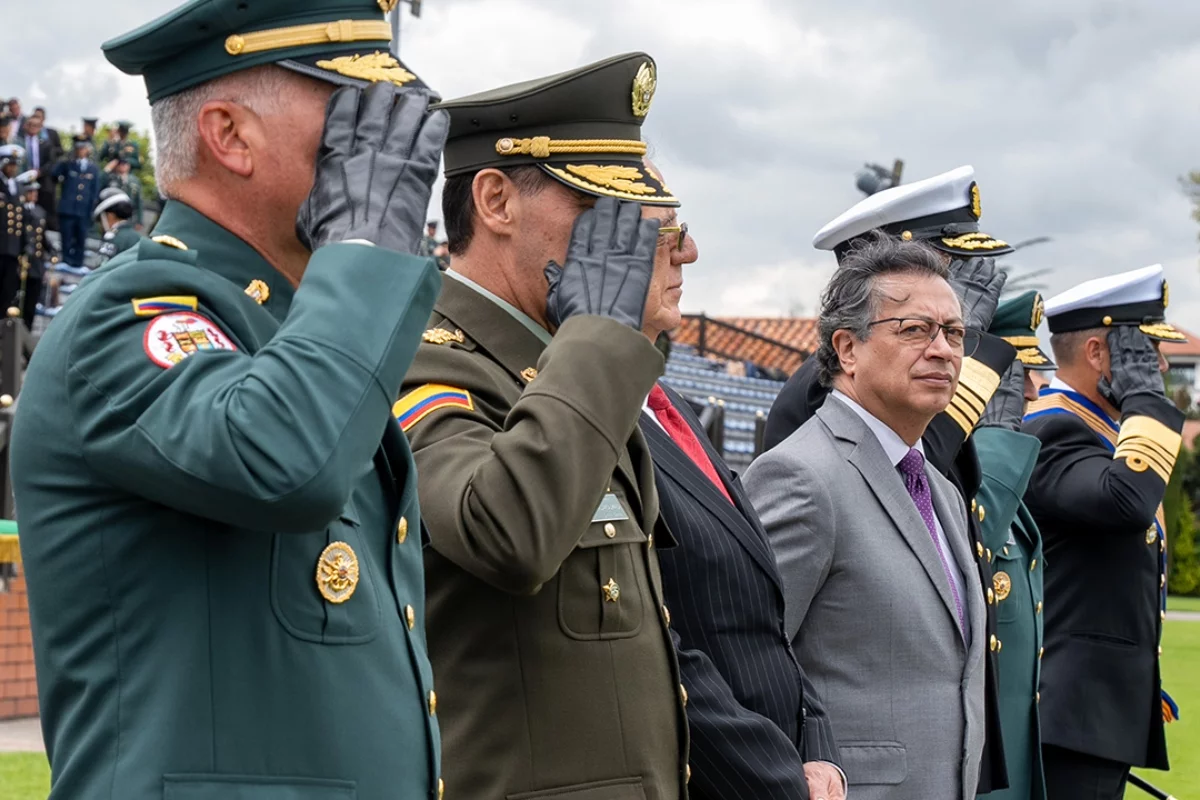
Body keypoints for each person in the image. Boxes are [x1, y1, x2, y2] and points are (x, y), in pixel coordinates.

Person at [11, 0, 450, 796]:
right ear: (231, 136)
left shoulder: (294, 331)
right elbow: (288, 461)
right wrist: (366, 246)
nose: (389, 151)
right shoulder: (128, 318)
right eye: (355, 120)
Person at [396, 53, 689, 799]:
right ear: (495, 201)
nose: (628, 253)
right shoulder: (423, 358)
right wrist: (597, 333)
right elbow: (507, 532)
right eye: (602, 217)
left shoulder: (566, 362)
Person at [762, 165, 1015, 793]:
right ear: (846, 349)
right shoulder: (800, 475)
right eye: (915, 330)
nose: (946, 350)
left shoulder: (939, 487)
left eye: (956, 332)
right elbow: (749, 659)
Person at [637, 207, 845, 798]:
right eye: (664, 233)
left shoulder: (666, 402)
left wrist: (818, 749)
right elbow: (657, 643)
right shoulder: (594, 416)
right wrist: (778, 777)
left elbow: (764, 623)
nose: (690, 251)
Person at [1022, 265, 1184, 799]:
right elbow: (1127, 502)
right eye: (1144, 353)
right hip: (1071, 716)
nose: (1158, 366)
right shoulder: (1054, 429)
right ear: (1097, 353)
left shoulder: (1098, 432)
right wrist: (1148, 400)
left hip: (1093, 716)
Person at [974, 290, 1056, 800]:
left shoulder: (1002, 470)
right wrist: (992, 438)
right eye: (1016, 371)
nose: (1030, 391)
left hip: (1010, 760)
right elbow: (971, 538)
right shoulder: (979, 472)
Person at [52, 139, 102, 266]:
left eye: (83, 148)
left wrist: (92, 210)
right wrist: (64, 160)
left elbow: (94, 192)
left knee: (81, 239)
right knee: (66, 238)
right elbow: (54, 175)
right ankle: (66, 260)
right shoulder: (68, 164)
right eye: (78, 148)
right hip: (68, 209)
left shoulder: (93, 168)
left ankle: (77, 263)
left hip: (83, 210)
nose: (80, 151)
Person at [16, 179, 53, 328]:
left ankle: (27, 330)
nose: (34, 194)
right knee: (16, 299)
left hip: (36, 263)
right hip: (21, 261)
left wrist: (51, 249)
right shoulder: (18, 209)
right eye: (31, 191)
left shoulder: (39, 211)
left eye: (35, 191)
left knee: (31, 301)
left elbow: (41, 236)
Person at [20, 115, 60, 231]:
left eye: (36, 126)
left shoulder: (46, 143)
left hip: (42, 180)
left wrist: (40, 172)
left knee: (44, 210)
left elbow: (51, 162)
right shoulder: (20, 141)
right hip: (24, 179)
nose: (33, 128)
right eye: (31, 125)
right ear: (26, 126)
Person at [0, 145, 25, 308]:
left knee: (7, 290)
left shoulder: (17, 187)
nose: (13, 168)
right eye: (10, 165)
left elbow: (21, 221)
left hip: (12, 247)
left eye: (15, 165)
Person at [92, 188, 142, 262]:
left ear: (110, 216)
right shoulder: (137, 237)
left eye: (100, 219)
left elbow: (102, 268)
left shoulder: (111, 237)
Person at [104, 157, 143, 225]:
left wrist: (139, 220)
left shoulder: (134, 180)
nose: (123, 166)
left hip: (129, 215)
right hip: (114, 214)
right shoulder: (111, 178)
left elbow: (138, 201)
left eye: (125, 164)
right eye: (121, 164)